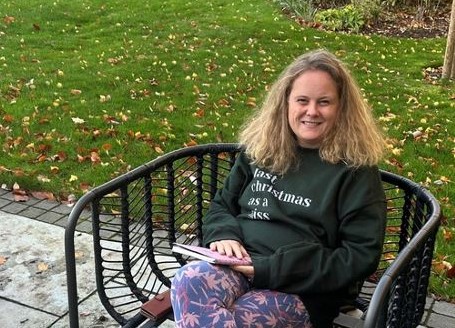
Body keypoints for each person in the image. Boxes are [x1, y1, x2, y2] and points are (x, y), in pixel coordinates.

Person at [170, 49, 387, 328]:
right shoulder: (262, 151)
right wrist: (224, 233)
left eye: (324, 102)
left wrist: (268, 269)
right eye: (302, 100)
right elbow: (222, 205)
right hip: (236, 266)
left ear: (341, 107)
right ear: (285, 103)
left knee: (241, 316)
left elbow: (359, 256)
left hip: (303, 289)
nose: (312, 111)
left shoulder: (355, 170)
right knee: (188, 280)